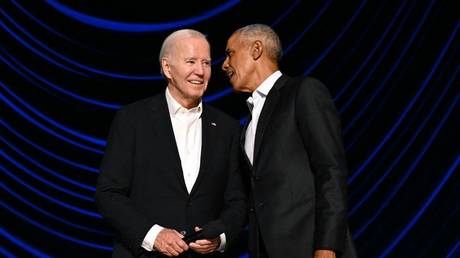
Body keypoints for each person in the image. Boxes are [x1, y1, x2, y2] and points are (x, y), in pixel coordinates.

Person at [96, 29, 246, 258]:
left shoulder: (228, 127)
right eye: (191, 61)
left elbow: (237, 200)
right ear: (167, 68)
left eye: (206, 63)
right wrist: (153, 235)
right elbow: (108, 193)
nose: (200, 71)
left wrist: (220, 237)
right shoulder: (132, 119)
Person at [222, 24, 357, 258]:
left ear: (256, 49)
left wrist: (327, 246)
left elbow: (330, 171)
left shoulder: (303, 92)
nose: (224, 64)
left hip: (309, 247)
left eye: (230, 53)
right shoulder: (249, 122)